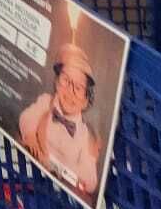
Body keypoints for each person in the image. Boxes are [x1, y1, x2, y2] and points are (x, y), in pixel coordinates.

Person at [18, 42, 102, 200]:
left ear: (86, 100)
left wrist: (60, 168)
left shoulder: (85, 135)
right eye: (65, 80)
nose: (70, 91)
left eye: (78, 88)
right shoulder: (46, 102)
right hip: (32, 176)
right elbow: (26, 117)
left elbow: (90, 180)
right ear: (56, 83)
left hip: (63, 192)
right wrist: (30, 135)